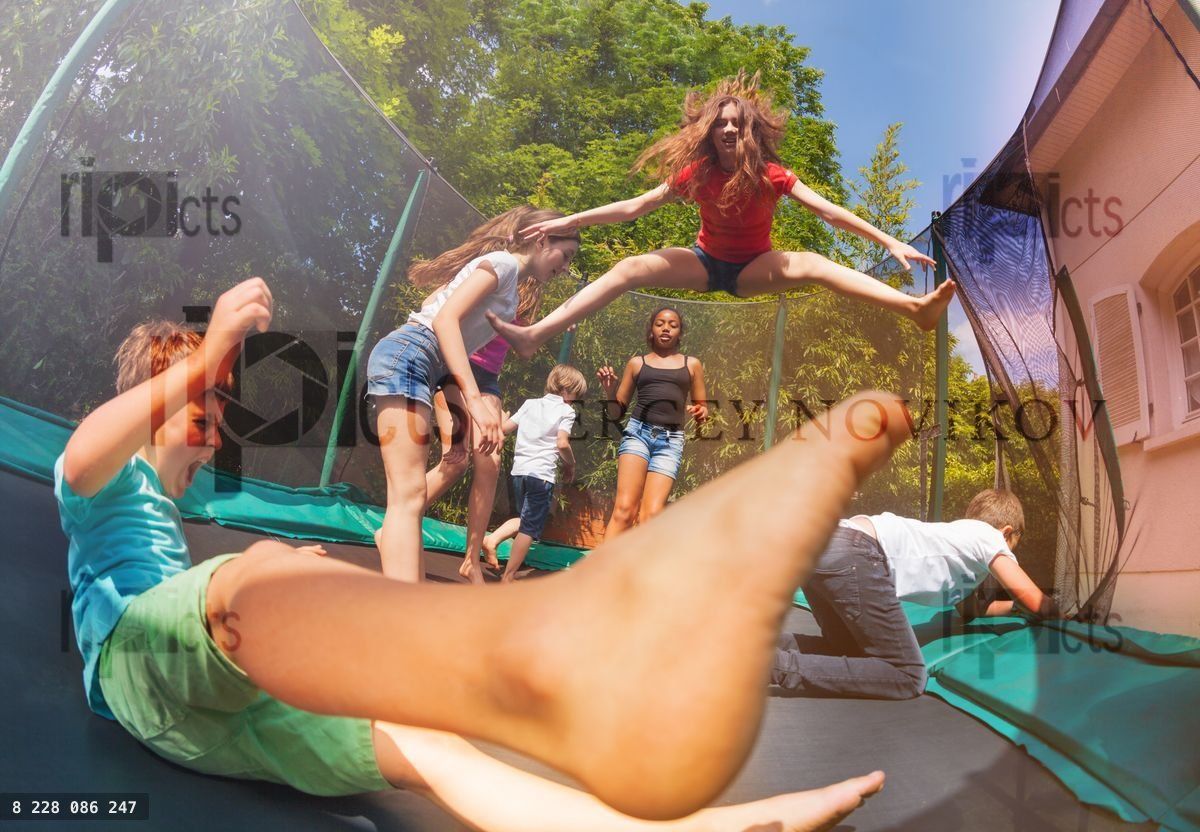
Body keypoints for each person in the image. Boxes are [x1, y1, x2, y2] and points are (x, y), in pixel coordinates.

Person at [56, 276, 914, 824]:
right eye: (203, 406)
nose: (213, 428)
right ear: (151, 402)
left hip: (185, 722)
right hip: (142, 652)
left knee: (426, 747)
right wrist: (205, 356)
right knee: (258, 576)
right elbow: (85, 451)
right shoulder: (102, 484)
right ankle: (534, 642)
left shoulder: (175, 499)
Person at [487, 71, 955, 359]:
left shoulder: (772, 175)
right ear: (711, 131)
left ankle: (915, 309)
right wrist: (571, 220)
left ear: (748, 130)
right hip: (706, 261)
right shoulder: (698, 173)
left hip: (754, 266)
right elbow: (636, 206)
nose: (729, 127)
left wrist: (890, 241)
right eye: (722, 122)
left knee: (814, 263)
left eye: (737, 122)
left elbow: (830, 213)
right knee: (629, 268)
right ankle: (535, 336)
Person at [366, 205, 579, 582]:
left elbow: (455, 345)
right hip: (411, 353)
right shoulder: (504, 264)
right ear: (543, 239)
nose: (564, 268)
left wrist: (459, 403)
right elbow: (444, 319)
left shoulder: (512, 291)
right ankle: (399, 612)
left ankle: (409, 604)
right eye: (565, 256)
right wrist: (475, 402)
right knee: (408, 493)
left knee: (412, 495)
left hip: (430, 366)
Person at [772, 489, 1060, 700]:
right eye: (1011, 548)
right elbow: (1033, 600)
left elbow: (972, 611)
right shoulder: (989, 537)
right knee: (908, 676)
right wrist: (1063, 608)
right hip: (857, 551)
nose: (1008, 555)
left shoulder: (960, 540)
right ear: (1007, 532)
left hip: (824, 544)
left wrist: (1014, 609)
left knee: (848, 652)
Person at [424, 301, 539, 584]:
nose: (560, 269)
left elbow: (528, 342)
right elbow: (434, 306)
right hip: (455, 369)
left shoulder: (529, 300)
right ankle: (396, 521)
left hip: (487, 379)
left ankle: (470, 561)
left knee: (491, 462)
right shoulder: (492, 279)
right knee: (455, 462)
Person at [595, 305, 707, 538]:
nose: (666, 328)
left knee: (651, 516)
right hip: (638, 435)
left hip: (670, 442)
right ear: (651, 330)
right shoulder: (637, 364)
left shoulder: (692, 365)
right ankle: (600, 571)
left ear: (679, 333)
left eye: (672, 325)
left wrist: (701, 413)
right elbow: (616, 413)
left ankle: (634, 572)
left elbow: (702, 408)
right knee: (625, 510)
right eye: (660, 323)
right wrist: (609, 390)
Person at [479, 364, 587, 583]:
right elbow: (562, 443)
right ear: (566, 389)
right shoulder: (566, 411)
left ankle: (492, 541)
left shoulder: (530, 404)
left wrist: (500, 417)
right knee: (529, 526)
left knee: (526, 517)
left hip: (519, 472)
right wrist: (571, 465)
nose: (575, 399)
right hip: (541, 474)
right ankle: (508, 576)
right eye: (575, 394)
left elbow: (504, 429)